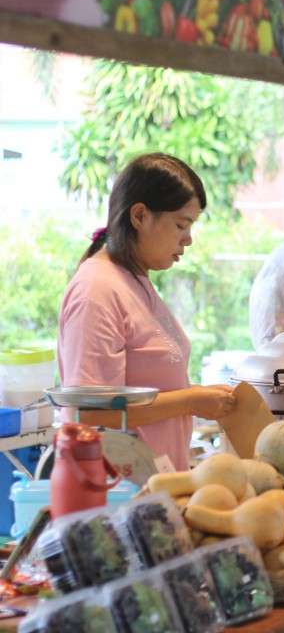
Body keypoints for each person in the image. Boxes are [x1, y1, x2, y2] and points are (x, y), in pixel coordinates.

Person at [58, 154, 235, 471]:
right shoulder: (96, 290)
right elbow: (92, 412)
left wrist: (195, 395)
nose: (188, 239)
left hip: (154, 481)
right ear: (139, 216)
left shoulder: (134, 279)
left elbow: (145, 387)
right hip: (118, 488)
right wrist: (190, 401)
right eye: (181, 224)